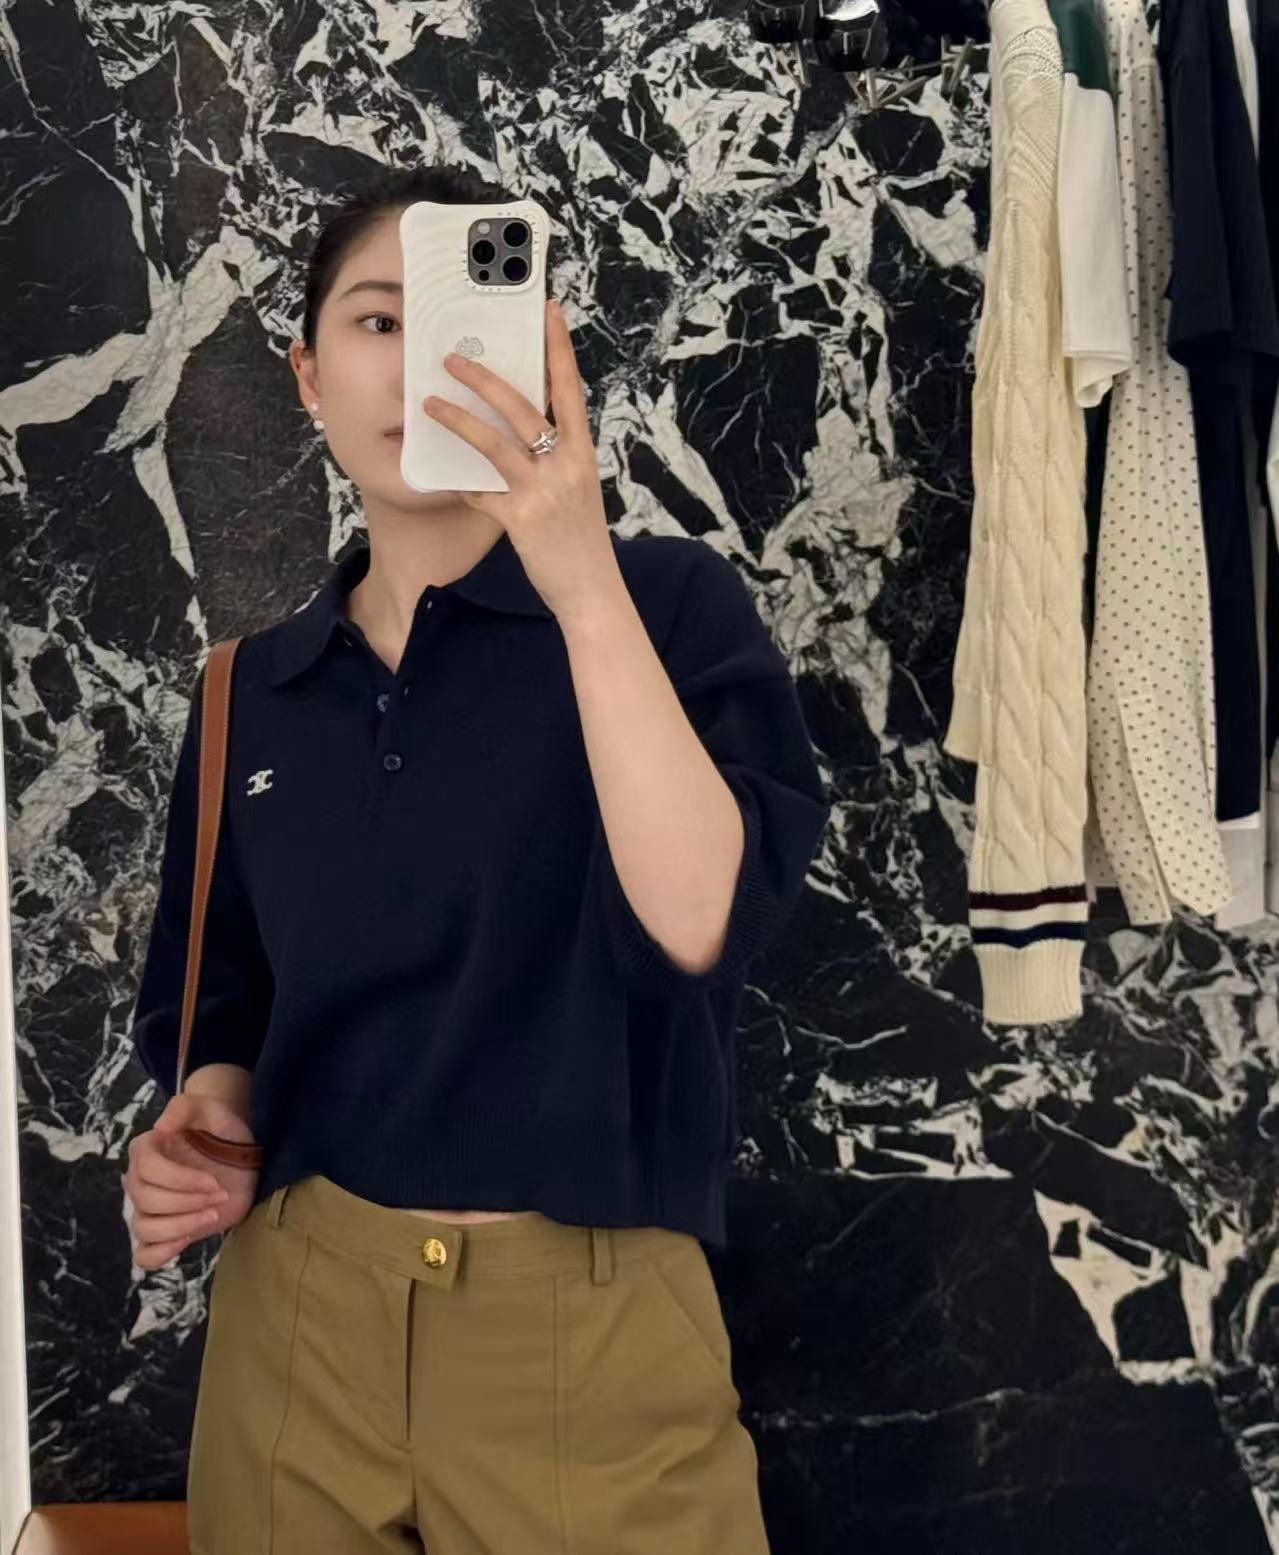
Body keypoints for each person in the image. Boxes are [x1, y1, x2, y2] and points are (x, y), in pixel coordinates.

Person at [121, 162, 830, 1554]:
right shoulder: (248, 692)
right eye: (375, 321)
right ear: (307, 376)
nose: (414, 364)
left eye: (454, 320)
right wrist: (203, 1134)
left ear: (536, 352)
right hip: (295, 1336)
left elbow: (703, 923)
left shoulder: (666, 608)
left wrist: (575, 571)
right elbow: (225, 1023)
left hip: (591, 1335)